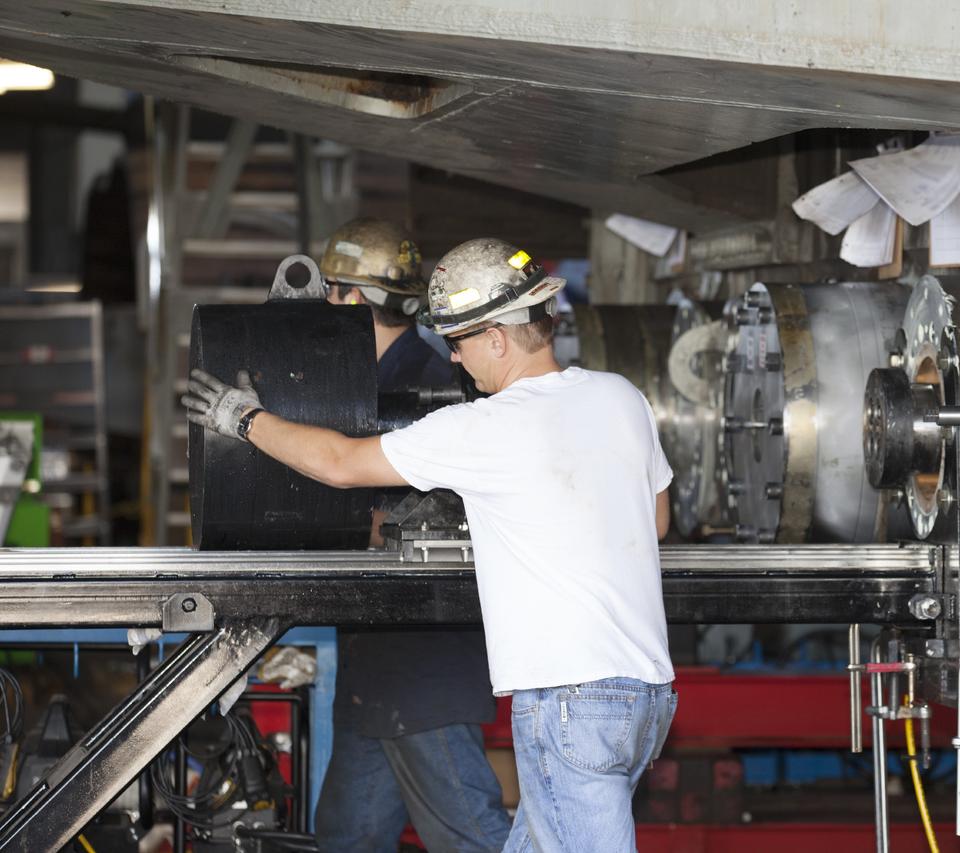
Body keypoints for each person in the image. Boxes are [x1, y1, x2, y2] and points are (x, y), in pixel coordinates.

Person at [183, 237, 676, 853]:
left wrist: (244, 419)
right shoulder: (620, 396)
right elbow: (654, 520)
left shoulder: (486, 428)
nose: (456, 358)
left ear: (497, 337)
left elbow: (339, 463)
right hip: (645, 694)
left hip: (569, 698)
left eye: (461, 341)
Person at [312, 219, 510, 853]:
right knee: (349, 838)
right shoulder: (361, 380)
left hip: (425, 662)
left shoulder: (432, 385)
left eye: (332, 289)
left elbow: (432, 520)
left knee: (468, 837)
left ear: (353, 298)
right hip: (377, 660)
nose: (324, 303)